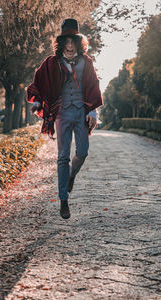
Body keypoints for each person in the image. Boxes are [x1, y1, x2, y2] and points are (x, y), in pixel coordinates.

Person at [27, 19, 103, 219]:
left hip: (81, 112)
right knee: (62, 156)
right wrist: (37, 102)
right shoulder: (51, 62)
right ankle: (63, 199)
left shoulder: (86, 62)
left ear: (78, 42)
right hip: (61, 113)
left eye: (73, 41)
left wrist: (93, 111)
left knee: (83, 152)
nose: (69, 45)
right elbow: (39, 82)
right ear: (61, 43)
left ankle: (71, 176)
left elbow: (93, 85)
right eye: (66, 41)